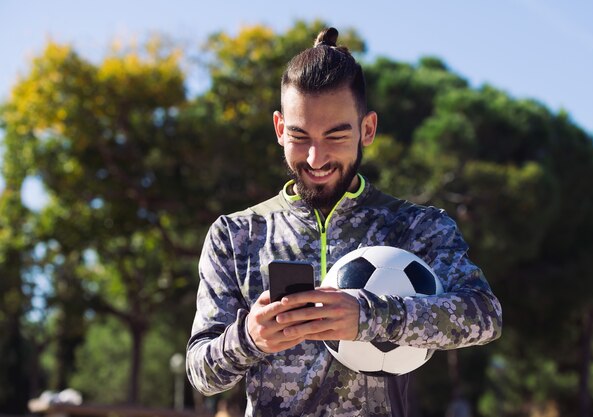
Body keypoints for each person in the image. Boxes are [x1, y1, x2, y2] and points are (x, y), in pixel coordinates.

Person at [186, 27, 502, 417]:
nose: (316, 158)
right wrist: (249, 338)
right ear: (280, 129)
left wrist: (369, 316)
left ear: (367, 129)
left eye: (335, 136)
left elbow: (484, 315)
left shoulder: (417, 226)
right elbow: (201, 373)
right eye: (300, 137)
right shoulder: (235, 235)